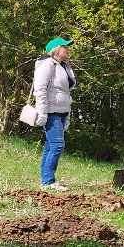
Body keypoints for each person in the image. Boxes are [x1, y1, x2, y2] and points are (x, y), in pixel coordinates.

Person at [33, 37, 75, 191]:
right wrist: (42, 112)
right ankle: (48, 181)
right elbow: (40, 90)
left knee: (50, 146)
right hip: (51, 112)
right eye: (65, 47)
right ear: (56, 49)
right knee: (57, 146)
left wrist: (68, 115)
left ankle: (45, 180)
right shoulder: (47, 65)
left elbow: (66, 93)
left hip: (62, 111)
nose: (68, 49)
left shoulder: (64, 67)